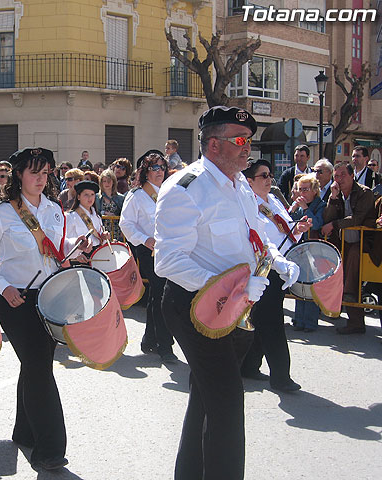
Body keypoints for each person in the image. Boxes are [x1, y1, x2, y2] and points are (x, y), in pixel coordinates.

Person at [154, 106, 300, 480]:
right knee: (228, 401)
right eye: (240, 140)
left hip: (236, 305)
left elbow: (256, 237)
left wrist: (279, 261)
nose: (247, 147)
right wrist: (229, 286)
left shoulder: (239, 186)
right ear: (214, 144)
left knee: (206, 397)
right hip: (195, 306)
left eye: (249, 140)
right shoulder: (185, 188)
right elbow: (168, 262)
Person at [0, 147, 87, 472]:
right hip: (16, 301)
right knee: (40, 369)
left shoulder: (53, 209)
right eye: (33, 171)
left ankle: (23, 431)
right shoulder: (0, 213)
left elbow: (55, 248)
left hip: (49, 299)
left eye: (45, 171)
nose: (40, 178)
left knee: (35, 367)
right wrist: (3, 287)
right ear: (19, 174)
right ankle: (50, 449)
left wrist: (78, 247)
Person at [239, 159, 310, 392]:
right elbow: (261, 241)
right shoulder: (248, 205)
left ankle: (249, 365)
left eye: (270, 175)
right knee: (272, 323)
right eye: (263, 176)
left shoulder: (276, 201)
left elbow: (288, 235)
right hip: (262, 269)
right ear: (249, 181)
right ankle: (281, 376)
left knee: (262, 320)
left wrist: (298, 230)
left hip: (281, 266)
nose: (269, 179)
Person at [120, 150, 177, 364]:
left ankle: (149, 340)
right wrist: (145, 239)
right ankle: (165, 346)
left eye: (162, 167)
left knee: (157, 296)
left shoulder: (168, 192)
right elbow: (125, 224)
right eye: (154, 168)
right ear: (145, 171)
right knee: (163, 295)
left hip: (169, 250)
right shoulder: (137, 195)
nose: (159, 171)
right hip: (149, 251)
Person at [321, 161, 377, 334]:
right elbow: (327, 218)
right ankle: (352, 319)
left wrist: (334, 224)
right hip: (343, 241)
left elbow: (357, 219)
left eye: (343, 175)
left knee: (352, 273)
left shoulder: (364, 193)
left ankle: (353, 312)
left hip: (364, 242)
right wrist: (333, 198)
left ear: (352, 175)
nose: (339, 179)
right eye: (336, 176)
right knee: (339, 269)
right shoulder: (336, 192)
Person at [290, 173, 326, 331]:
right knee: (300, 285)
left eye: (305, 189)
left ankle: (310, 322)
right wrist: (294, 208)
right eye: (300, 189)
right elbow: (288, 222)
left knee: (311, 286)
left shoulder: (321, 205)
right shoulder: (298, 204)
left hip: (315, 250)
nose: (302, 193)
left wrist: (305, 209)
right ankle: (299, 320)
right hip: (299, 249)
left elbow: (317, 224)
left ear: (314, 190)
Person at [66, 180, 110, 261]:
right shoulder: (71, 216)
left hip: (97, 254)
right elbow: (66, 240)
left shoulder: (97, 216)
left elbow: (99, 237)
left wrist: (104, 236)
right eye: (86, 195)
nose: (90, 198)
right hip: (80, 256)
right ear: (78, 197)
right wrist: (77, 255)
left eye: (92, 194)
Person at [95, 169, 125, 242]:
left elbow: (124, 215)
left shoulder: (120, 198)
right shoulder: (96, 197)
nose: (106, 183)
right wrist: (104, 213)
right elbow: (95, 213)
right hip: (103, 230)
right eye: (104, 181)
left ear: (113, 182)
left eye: (109, 181)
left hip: (116, 230)